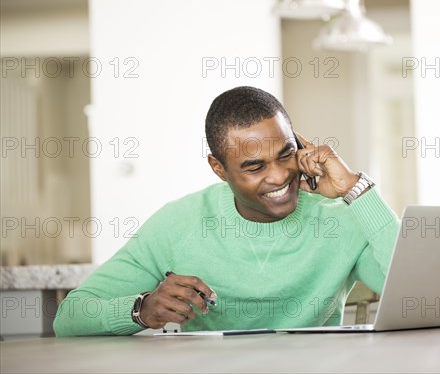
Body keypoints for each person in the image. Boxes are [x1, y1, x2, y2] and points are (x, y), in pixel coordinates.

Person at [53, 86, 400, 336]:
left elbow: (426, 300)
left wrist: (357, 189)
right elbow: (70, 318)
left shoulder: (340, 216)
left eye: (286, 154)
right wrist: (141, 310)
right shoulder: (179, 223)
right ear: (219, 168)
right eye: (254, 167)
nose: (279, 176)